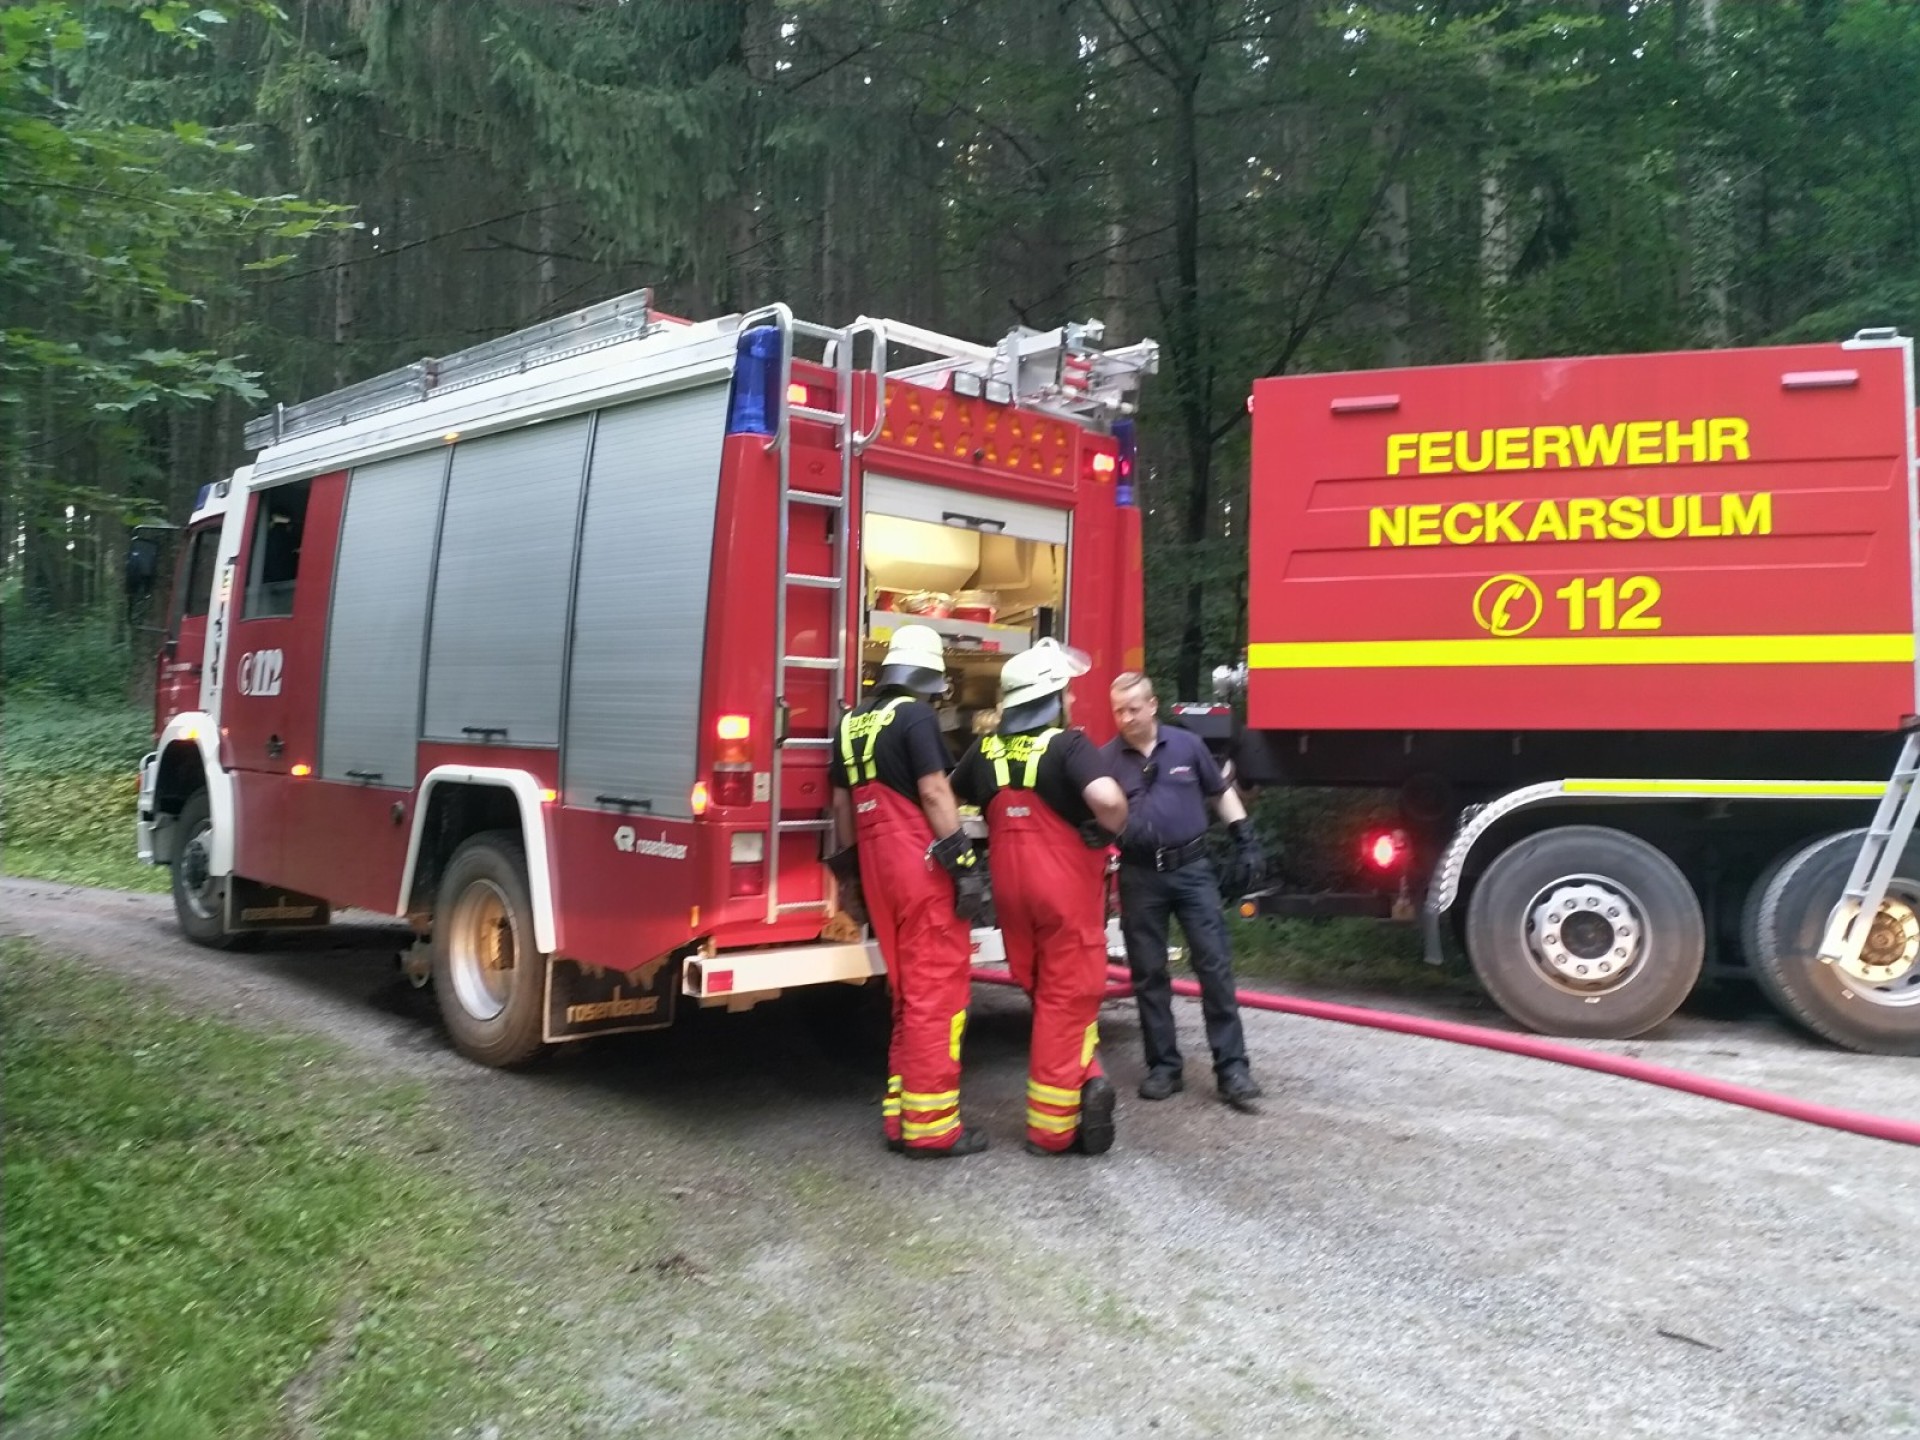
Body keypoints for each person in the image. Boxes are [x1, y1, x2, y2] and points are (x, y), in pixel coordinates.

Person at [951, 640, 1130, 1156]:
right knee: (1067, 999)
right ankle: (1052, 1132)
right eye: (1065, 691)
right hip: (1064, 896)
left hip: (1010, 896)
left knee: (1045, 993)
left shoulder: (984, 750)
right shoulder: (1069, 746)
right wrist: (1110, 826)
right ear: (1049, 697)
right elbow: (1108, 799)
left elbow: (950, 793)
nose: (1070, 699)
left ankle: (1088, 1076)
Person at [828, 624, 993, 1158]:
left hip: (877, 867)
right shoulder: (915, 716)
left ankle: (902, 1118)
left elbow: (842, 806)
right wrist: (962, 862)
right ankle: (932, 1129)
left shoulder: (850, 721)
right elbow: (935, 790)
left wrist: (852, 876)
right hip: (919, 867)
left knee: (906, 994)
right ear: (927, 677)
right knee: (936, 996)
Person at [1103, 671, 1266, 1111]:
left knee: (1214, 966)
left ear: (1152, 705)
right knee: (1148, 973)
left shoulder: (1187, 746)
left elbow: (1221, 792)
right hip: (1140, 875)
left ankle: (1232, 1069)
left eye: (1133, 708)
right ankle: (1164, 1067)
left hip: (1192, 871)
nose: (1126, 717)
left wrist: (1244, 838)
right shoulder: (1106, 759)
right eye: (1118, 710)